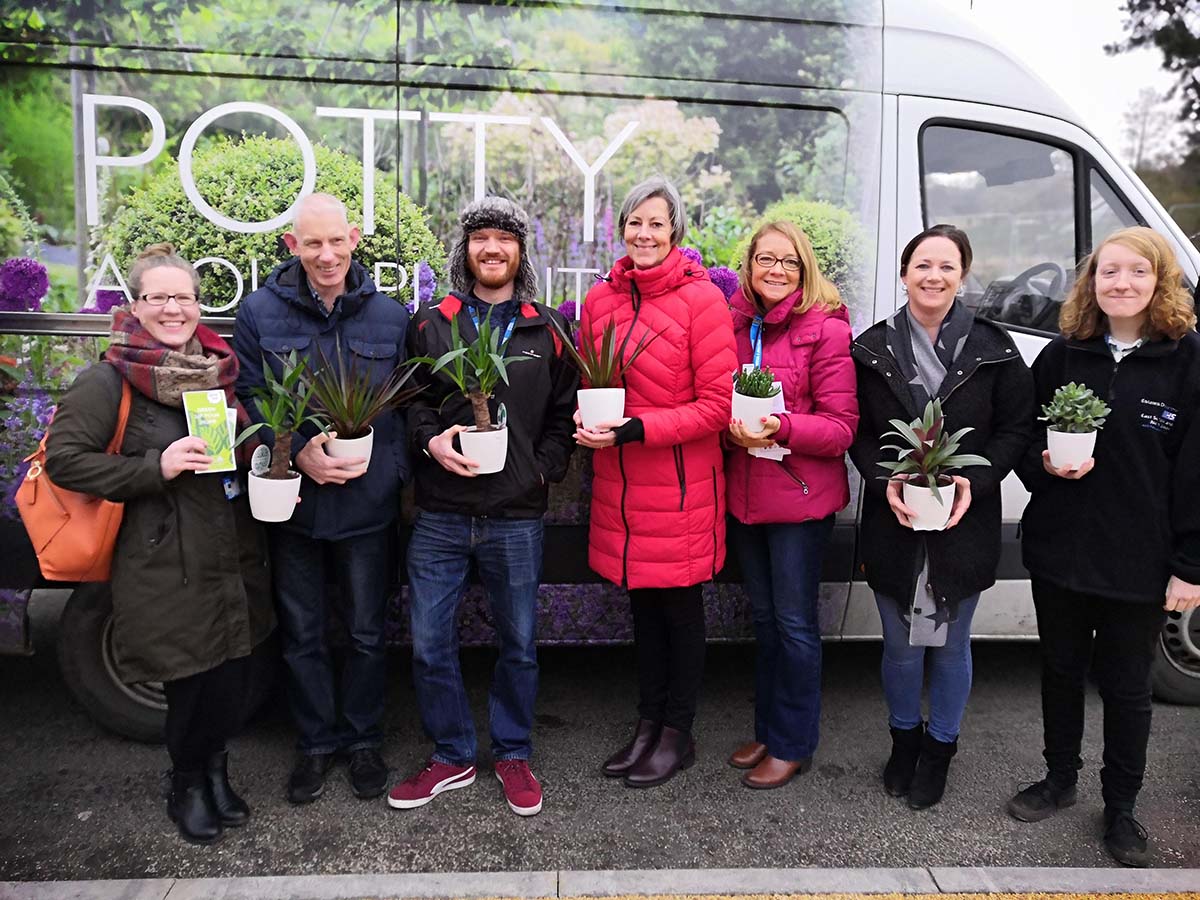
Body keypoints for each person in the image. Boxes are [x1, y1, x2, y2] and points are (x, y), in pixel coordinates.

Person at [45, 244, 275, 844]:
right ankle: (187, 782)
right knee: (187, 679)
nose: (174, 308)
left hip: (228, 551)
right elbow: (65, 462)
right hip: (161, 558)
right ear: (136, 305)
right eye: (160, 297)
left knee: (230, 675)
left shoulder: (215, 370)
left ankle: (217, 770)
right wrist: (156, 466)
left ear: (200, 305)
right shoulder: (108, 379)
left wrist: (266, 467)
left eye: (185, 297)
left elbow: (233, 453)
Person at [1007, 226, 1200, 867]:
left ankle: (1121, 807)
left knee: (1126, 688)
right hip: (1060, 549)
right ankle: (1060, 780)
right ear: (1092, 282)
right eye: (1109, 272)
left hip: (1138, 560)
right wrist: (1044, 467)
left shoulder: (1188, 359)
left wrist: (1189, 566)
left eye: (1137, 272)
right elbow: (1023, 439)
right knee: (1060, 672)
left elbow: (1197, 473)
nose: (1122, 283)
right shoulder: (1066, 354)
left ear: (1159, 279)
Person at [388, 196, 578, 817]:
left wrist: (543, 468)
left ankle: (513, 752)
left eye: (504, 238)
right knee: (428, 641)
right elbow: (410, 402)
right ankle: (452, 755)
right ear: (464, 249)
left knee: (519, 642)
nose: (491, 248)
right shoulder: (431, 321)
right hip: (441, 512)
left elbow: (562, 413)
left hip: (517, 516)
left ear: (521, 252)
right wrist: (429, 441)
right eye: (480, 237)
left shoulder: (544, 326)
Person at [848, 224, 1033, 810]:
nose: (933, 276)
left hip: (965, 521)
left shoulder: (994, 349)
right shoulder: (871, 347)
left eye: (947, 266)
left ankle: (940, 749)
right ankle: (904, 741)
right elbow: (855, 432)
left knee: (952, 646)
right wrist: (888, 481)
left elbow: (1015, 429)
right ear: (904, 274)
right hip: (894, 516)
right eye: (922, 265)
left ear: (962, 276)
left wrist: (973, 482)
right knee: (900, 645)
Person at [233, 193, 410, 804]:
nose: (326, 254)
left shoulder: (390, 315)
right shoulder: (259, 311)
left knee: (365, 632)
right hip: (296, 506)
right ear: (292, 246)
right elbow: (252, 396)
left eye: (336, 240)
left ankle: (363, 740)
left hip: (367, 508)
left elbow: (406, 408)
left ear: (355, 238)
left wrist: (390, 475)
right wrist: (299, 453)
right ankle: (314, 743)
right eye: (313, 243)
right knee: (302, 633)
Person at [576, 175, 737, 789]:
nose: (644, 234)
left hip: (679, 486)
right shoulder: (601, 300)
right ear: (622, 229)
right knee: (643, 611)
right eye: (634, 223)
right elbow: (593, 384)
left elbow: (717, 405)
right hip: (619, 485)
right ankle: (648, 724)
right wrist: (587, 418)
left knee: (679, 609)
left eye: (656, 223)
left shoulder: (702, 302)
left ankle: (678, 732)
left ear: (675, 232)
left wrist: (638, 429)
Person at [724, 221, 858, 789]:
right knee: (763, 620)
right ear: (750, 267)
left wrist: (782, 426)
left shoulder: (824, 331)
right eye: (764, 260)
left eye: (788, 262)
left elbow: (841, 428)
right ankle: (768, 729)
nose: (775, 270)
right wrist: (732, 431)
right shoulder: (736, 325)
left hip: (800, 501)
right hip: (747, 497)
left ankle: (793, 743)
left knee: (795, 623)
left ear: (804, 270)